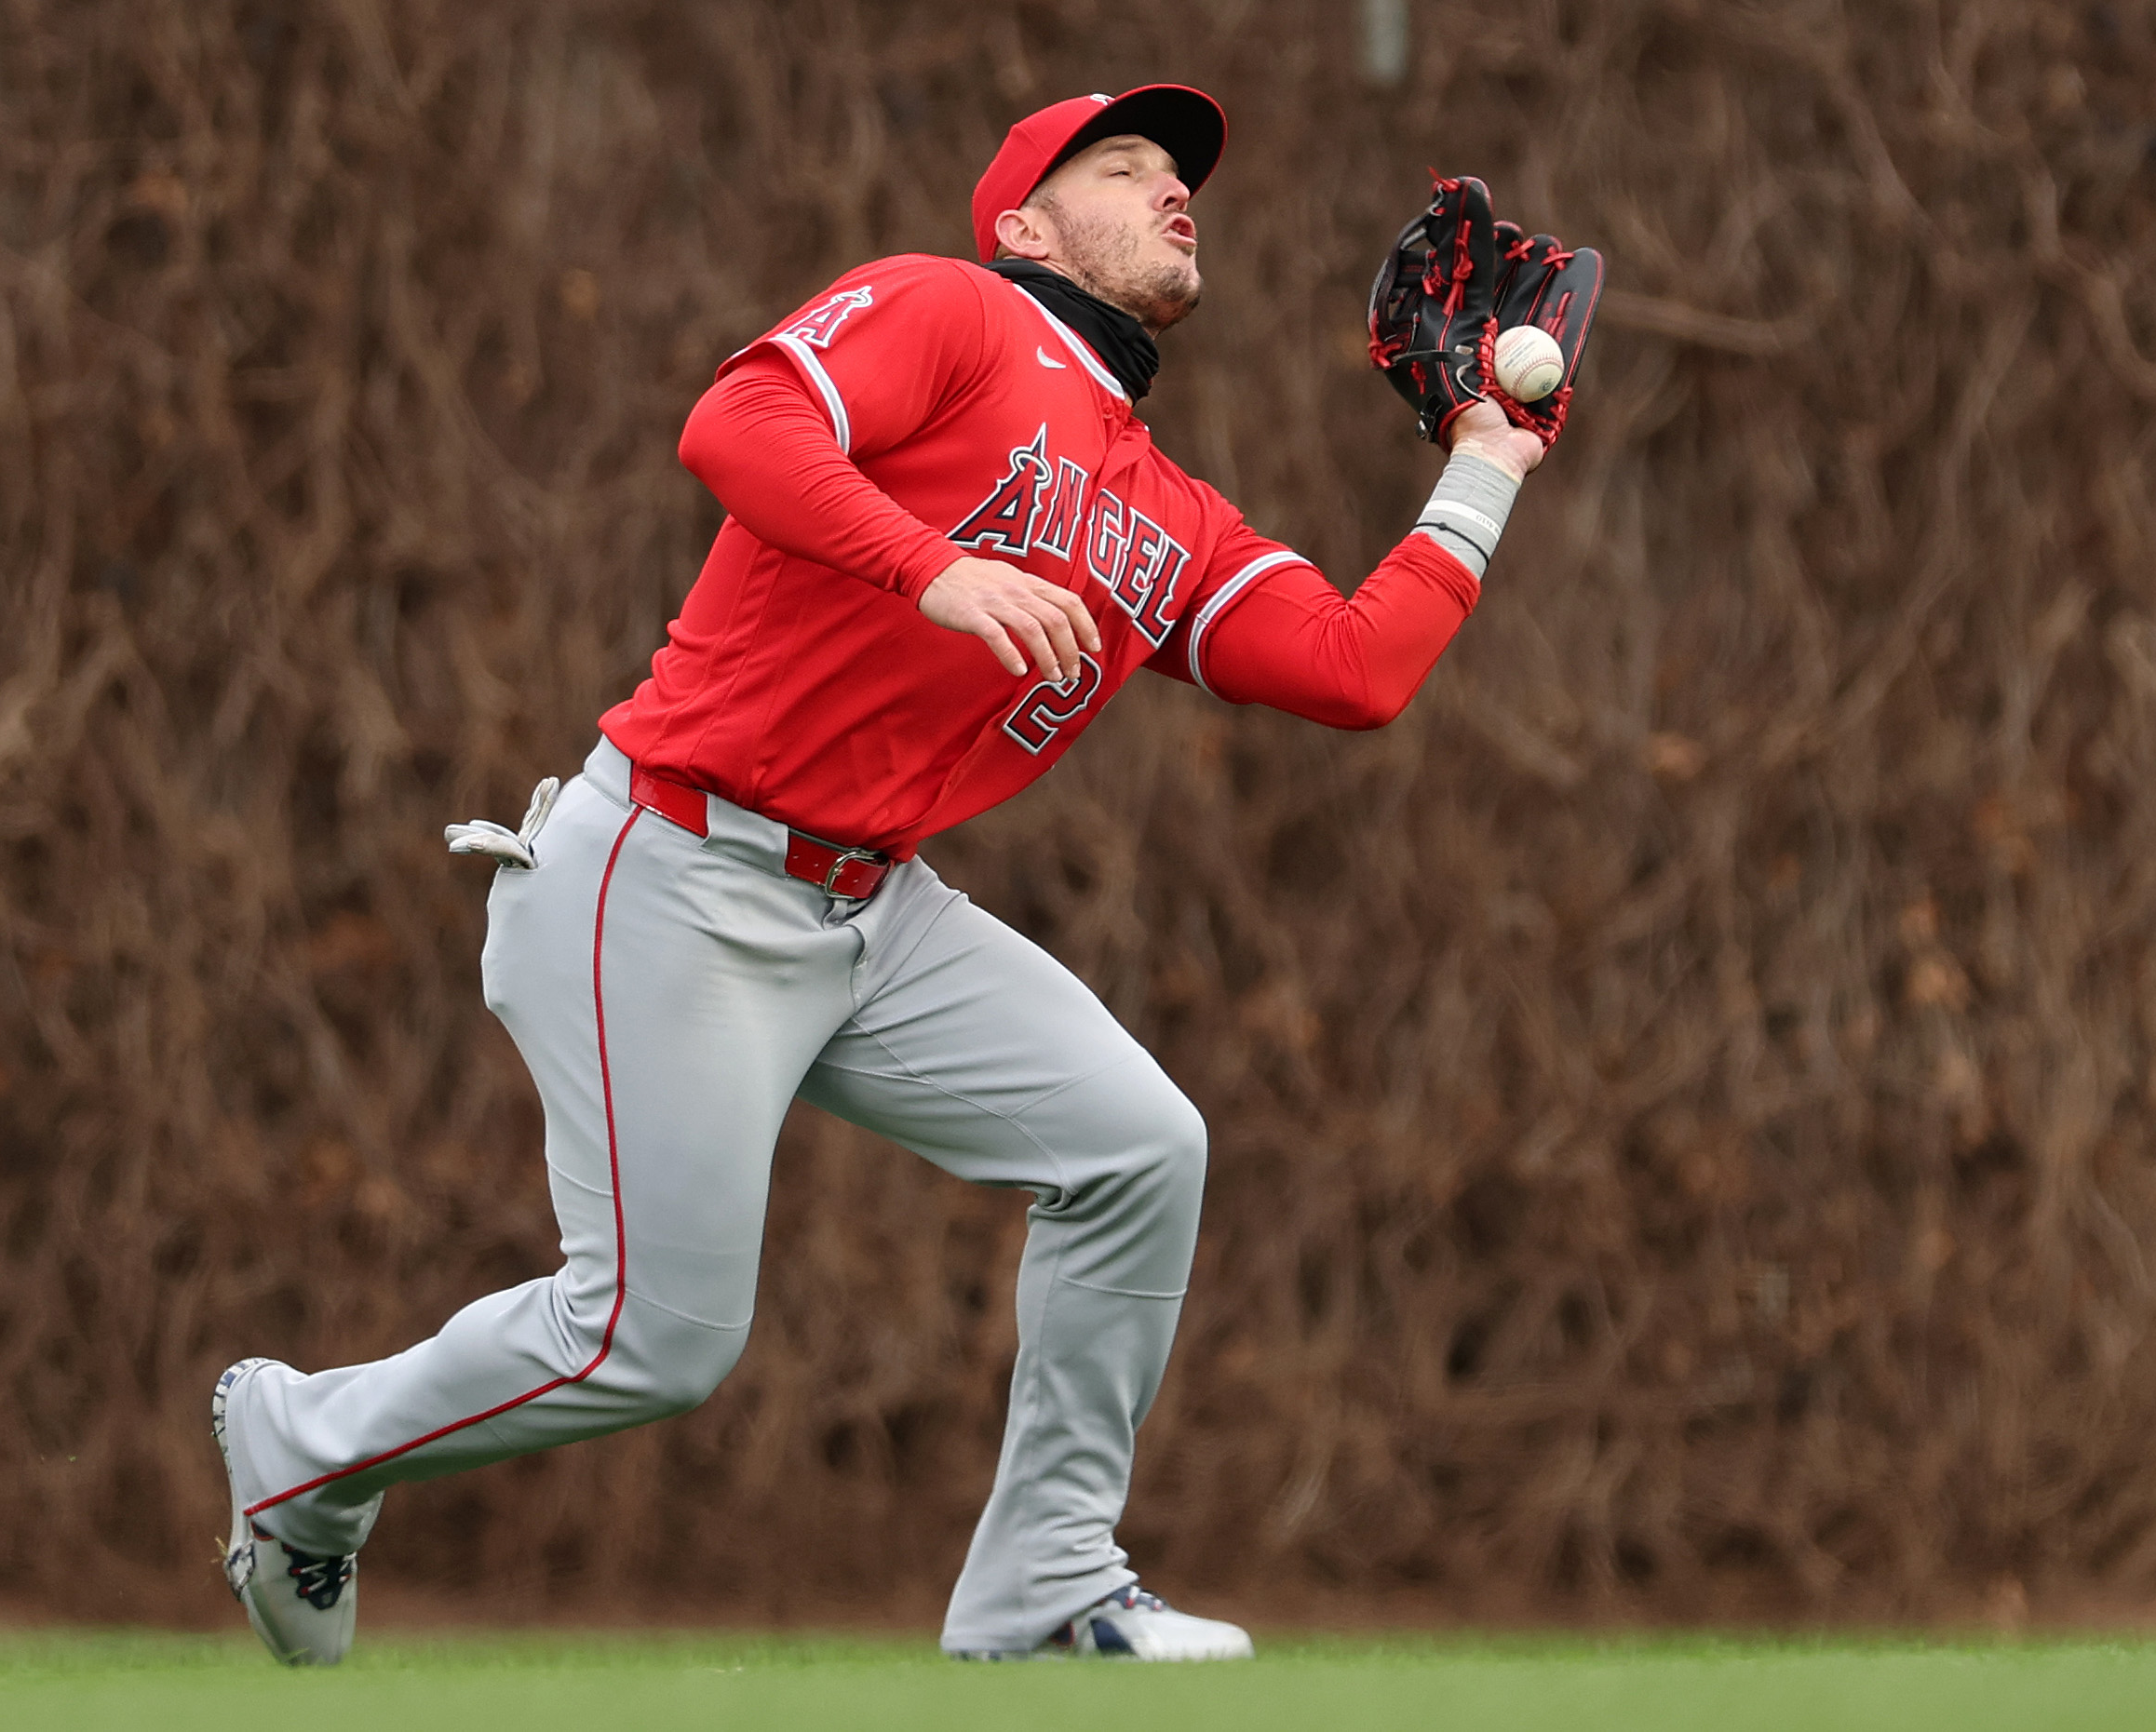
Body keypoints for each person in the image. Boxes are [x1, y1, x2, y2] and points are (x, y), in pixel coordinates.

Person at [211, 83, 1549, 1666]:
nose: (1172, 189)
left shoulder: (1157, 506)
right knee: (649, 1343)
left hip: (871, 909)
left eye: (1181, 176)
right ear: (1025, 222)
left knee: (1138, 1148)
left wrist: (1486, 457)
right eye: (1122, 168)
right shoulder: (952, 309)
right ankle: (306, 1444)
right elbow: (735, 425)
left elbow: (1349, 666)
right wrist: (935, 563)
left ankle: (1049, 1580)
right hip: (675, 863)